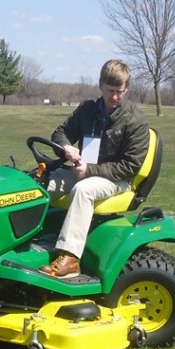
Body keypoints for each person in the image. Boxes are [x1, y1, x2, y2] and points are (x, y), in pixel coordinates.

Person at [39, 59, 150, 278]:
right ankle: (21, 242)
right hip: (83, 170)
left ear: (126, 89)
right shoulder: (87, 109)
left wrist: (90, 171)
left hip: (117, 179)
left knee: (83, 190)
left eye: (120, 91)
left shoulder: (135, 121)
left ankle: (70, 258)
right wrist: (67, 147)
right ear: (100, 85)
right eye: (111, 91)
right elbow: (60, 133)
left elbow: (130, 166)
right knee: (40, 185)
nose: (115, 97)